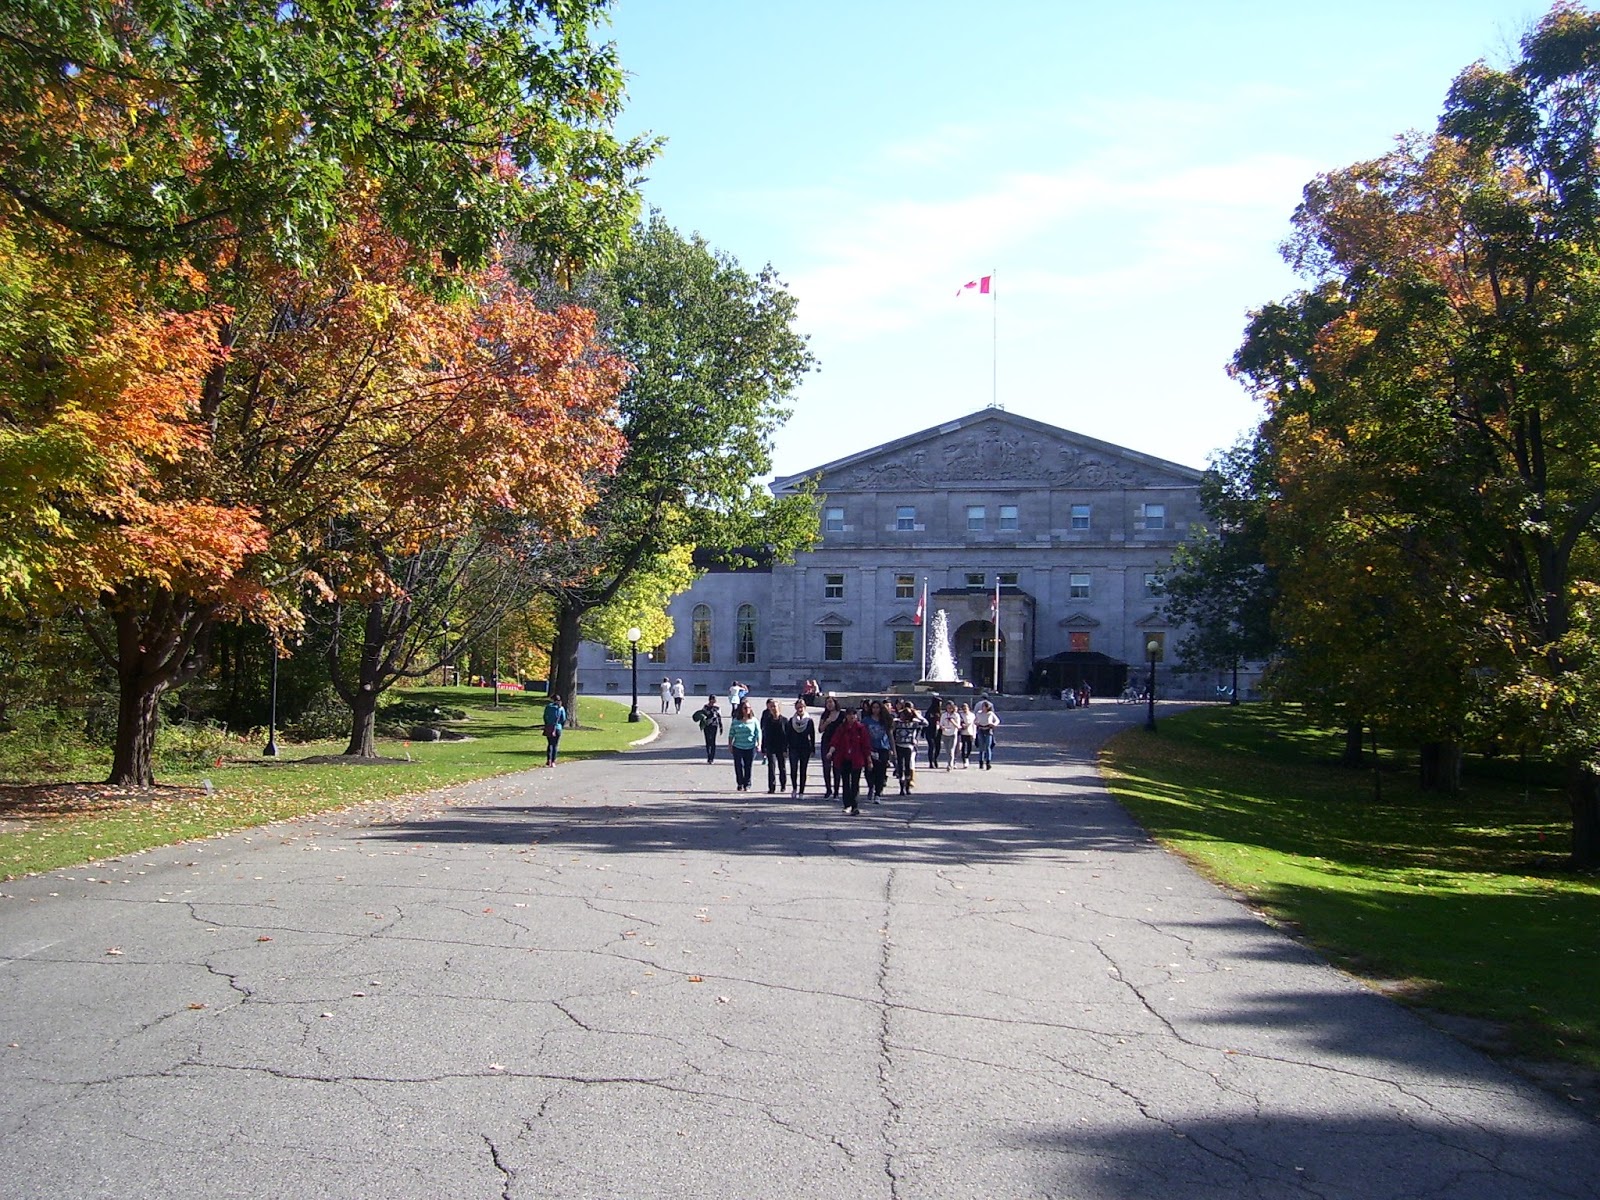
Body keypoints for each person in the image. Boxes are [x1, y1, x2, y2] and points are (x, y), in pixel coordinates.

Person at [828, 706, 873, 815]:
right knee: (846, 782)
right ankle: (847, 804)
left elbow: (866, 746)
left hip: (856, 759)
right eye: (849, 715)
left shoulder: (861, 728)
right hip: (844, 758)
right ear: (846, 716)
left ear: (856, 716)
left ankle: (855, 806)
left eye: (853, 716)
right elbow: (835, 741)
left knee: (855, 783)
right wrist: (830, 752)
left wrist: (869, 760)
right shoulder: (841, 728)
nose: (852, 718)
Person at [862, 699, 893, 802]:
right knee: (869, 771)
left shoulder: (885, 720)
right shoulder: (866, 720)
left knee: (881, 771)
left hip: (883, 748)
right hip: (870, 748)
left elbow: (890, 735)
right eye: (874, 708)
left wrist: (893, 750)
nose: (875, 710)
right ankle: (871, 786)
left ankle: (878, 793)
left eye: (877, 708)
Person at [891, 702, 925, 794]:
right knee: (901, 766)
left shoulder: (914, 723)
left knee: (907, 766)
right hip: (899, 745)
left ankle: (906, 786)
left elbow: (925, 723)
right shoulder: (897, 722)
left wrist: (916, 714)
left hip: (909, 746)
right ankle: (902, 787)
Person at [817, 695, 845, 799]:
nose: (829, 704)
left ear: (835, 703)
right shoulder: (825, 715)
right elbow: (820, 730)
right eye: (827, 702)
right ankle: (828, 789)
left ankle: (836, 791)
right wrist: (826, 723)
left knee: (837, 767)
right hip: (826, 742)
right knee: (826, 766)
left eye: (831, 702)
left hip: (839, 743)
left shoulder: (842, 714)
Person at [759, 698, 790, 794]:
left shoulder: (785, 720)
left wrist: (786, 748)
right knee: (771, 766)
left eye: (775, 706)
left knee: (782, 767)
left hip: (781, 747)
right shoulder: (767, 721)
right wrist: (763, 747)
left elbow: (788, 735)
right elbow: (765, 734)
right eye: (771, 707)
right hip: (770, 746)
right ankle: (771, 787)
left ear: (778, 708)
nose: (773, 708)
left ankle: (783, 785)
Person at [786, 700, 817, 796]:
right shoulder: (791, 720)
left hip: (805, 748)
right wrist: (786, 748)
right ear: (795, 708)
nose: (800, 709)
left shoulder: (809, 721)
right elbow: (788, 735)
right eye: (798, 707)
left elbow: (812, 735)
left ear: (805, 707)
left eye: (802, 707)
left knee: (803, 770)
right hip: (793, 747)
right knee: (793, 769)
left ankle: (802, 791)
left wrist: (813, 749)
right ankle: (794, 788)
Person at [728, 701, 760, 792]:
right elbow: (731, 734)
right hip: (738, 746)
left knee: (748, 766)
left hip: (750, 746)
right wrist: (730, 745)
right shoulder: (735, 721)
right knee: (739, 765)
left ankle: (747, 784)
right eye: (745, 708)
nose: (747, 710)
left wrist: (759, 744)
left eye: (748, 708)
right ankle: (740, 783)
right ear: (741, 710)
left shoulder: (754, 720)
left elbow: (758, 733)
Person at [694, 695, 723, 763]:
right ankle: (708, 755)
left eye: (714, 699)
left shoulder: (717, 708)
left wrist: (721, 727)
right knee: (707, 741)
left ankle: (711, 758)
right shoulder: (705, 707)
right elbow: (701, 715)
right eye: (713, 699)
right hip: (706, 725)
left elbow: (719, 717)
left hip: (714, 725)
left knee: (712, 741)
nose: (714, 701)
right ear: (710, 700)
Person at [973, 699, 1001, 770]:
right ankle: (981, 762)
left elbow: (997, 720)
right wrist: (976, 723)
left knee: (988, 746)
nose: (984, 708)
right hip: (981, 729)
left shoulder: (990, 713)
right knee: (981, 747)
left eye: (985, 707)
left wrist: (994, 724)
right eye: (983, 707)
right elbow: (975, 720)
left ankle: (988, 762)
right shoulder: (979, 713)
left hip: (988, 729)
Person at [542, 694, 567, 767]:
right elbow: (563, 719)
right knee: (555, 745)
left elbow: (545, 717)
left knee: (550, 744)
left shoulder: (548, 707)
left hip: (549, 727)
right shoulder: (561, 708)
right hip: (558, 728)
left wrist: (547, 723)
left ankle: (548, 760)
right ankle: (553, 761)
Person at [937, 700, 961, 770]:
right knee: (947, 750)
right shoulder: (944, 715)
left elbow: (958, 726)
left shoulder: (956, 715)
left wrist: (952, 721)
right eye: (948, 708)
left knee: (951, 750)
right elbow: (941, 724)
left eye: (950, 708)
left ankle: (950, 765)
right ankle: (950, 762)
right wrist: (942, 727)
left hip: (953, 734)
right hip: (945, 734)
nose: (949, 709)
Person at [924, 694, 944, 770]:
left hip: (938, 732)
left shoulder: (940, 712)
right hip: (930, 731)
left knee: (938, 747)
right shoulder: (930, 711)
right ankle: (931, 762)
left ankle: (935, 758)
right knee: (931, 746)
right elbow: (926, 721)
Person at [957, 702, 976, 767]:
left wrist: (974, 734)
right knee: (963, 747)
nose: (965, 710)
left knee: (969, 747)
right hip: (963, 733)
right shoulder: (961, 715)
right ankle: (964, 761)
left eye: (966, 708)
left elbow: (974, 725)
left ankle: (967, 756)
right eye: (963, 708)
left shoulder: (972, 715)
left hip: (970, 732)